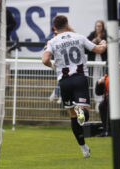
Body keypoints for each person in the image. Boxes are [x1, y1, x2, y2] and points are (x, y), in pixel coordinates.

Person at [42, 15, 107, 158]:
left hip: (64, 82)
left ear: (54, 28)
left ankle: (84, 148)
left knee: (73, 116)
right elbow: (99, 50)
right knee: (84, 113)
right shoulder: (78, 37)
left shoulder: (52, 41)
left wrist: (53, 66)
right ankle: (81, 111)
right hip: (79, 78)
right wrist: (104, 43)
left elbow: (44, 59)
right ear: (67, 24)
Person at [95, 68, 120, 137]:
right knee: (102, 106)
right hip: (111, 101)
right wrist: (99, 84)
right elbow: (98, 92)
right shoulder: (106, 78)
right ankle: (107, 130)